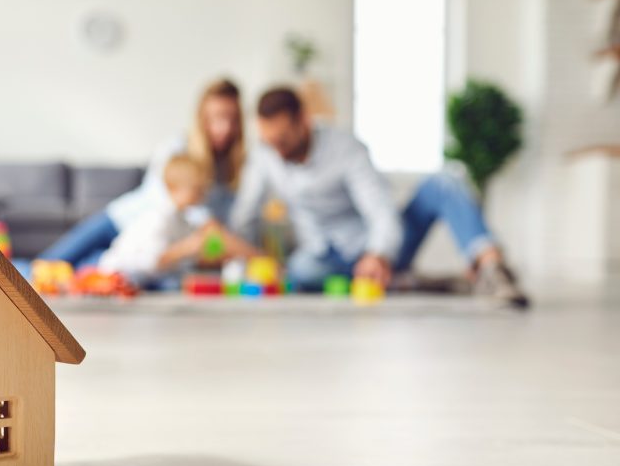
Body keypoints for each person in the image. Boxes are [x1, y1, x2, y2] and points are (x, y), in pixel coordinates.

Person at [231, 87, 529, 308]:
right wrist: (241, 261)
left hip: (376, 247)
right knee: (301, 271)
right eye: (269, 142)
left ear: (304, 121)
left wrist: (378, 254)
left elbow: (380, 210)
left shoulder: (346, 149)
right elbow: (245, 215)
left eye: (283, 140)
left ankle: (492, 269)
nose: (277, 151)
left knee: (445, 181)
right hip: (322, 257)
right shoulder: (264, 157)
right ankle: (405, 282)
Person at [38, 78, 247, 267]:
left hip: (143, 249)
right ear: (202, 117)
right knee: (48, 265)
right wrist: (210, 225)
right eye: (217, 117)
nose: (225, 127)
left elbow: (223, 224)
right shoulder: (176, 148)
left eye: (232, 119)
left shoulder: (232, 169)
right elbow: (172, 200)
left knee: (83, 274)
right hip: (119, 221)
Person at [99, 154, 258, 288]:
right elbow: (153, 261)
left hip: (144, 280)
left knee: (182, 281)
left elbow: (191, 255)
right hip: (116, 275)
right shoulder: (159, 218)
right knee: (174, 285)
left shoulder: (182, 220)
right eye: (197, 189)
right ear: (175, 188)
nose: (203, 194)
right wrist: (186, 248)